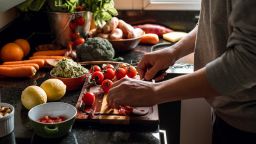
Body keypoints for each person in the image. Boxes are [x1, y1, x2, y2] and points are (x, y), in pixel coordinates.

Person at [107, 0, 256, 143]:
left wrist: (155, 91)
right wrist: (173, 52)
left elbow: (247, 62)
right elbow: (214, 21)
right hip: (229, 109)